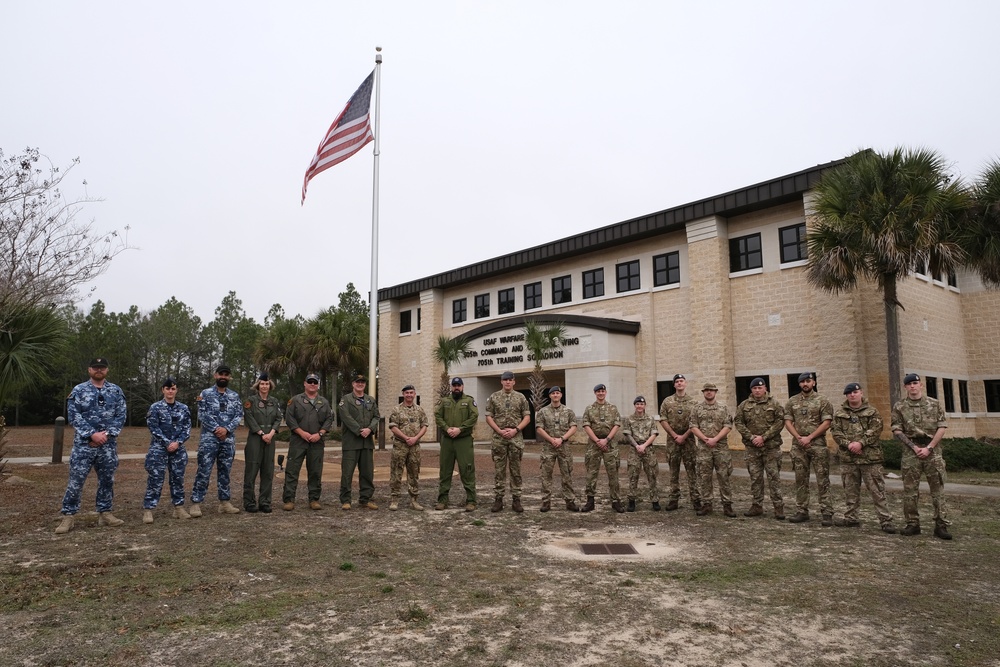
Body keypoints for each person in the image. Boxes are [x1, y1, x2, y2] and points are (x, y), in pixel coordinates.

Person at [55, 357, 128, 534]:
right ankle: (68, 517)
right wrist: (91, 434)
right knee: (76, 481)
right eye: (95, 368)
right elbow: (74, 416)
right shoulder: (79, 390)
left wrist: (107, 434)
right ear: (89, 370)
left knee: (107, 481)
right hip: (84, 445)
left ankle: (105, 513)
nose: (99, 370)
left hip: (107, 445)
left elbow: (121, 416)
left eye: (102, 367)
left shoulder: (115, 391)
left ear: (107, 370)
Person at [891, 373, 952, 540]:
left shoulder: (934, 404)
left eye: (915, 383)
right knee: (910, 490)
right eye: (909, 384)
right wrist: (914, 447)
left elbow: (942, 427)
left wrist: (929, 447)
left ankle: (941, 525)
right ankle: (912, 524)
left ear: (921, 385)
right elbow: (896, 429)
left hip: (933, 451)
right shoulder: (899, 406)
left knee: (938, 490)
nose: (913, 386)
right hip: (911, 451)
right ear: (905, 387)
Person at [831, 382, 896, 533]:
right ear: (846, 396)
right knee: (850, 491)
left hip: (870, 459)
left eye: (855, 392)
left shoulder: (872, 412)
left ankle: (886, 521)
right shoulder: (840, 414)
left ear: (861, 393)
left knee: (877, 491)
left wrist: (860, 443)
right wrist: (849, 445)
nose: (852, 395)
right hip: (849, 459)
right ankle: (851, 518)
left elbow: (876, 429)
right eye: (849, 393)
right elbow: (836, 432)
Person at [191, 364, 244, 516]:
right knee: (204, 470)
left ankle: (224, 502)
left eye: (226, 375)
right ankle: (196, 502)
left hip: (227, 440)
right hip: (209, 439)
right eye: (221, 374)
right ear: (215, 375)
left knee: (225, 472)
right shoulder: (205, 394)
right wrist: (217, 429)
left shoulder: (234, 396)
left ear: (229, 377)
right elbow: (202, 414)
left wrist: (226, 429)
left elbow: (238, 415)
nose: (223, 377)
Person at [784, 372, 835, 526]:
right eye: (802, 382)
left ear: (814, 382)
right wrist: (799, 437)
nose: (805, 384)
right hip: (799, 445)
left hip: (817, 444)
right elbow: (788, 421)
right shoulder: (792, 401)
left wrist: (810, 437)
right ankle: (802, 511)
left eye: (808, 381)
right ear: (799, 384)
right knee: (800, 479)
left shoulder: (822, 401)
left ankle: (826, 512)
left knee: (822, 479)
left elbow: (827, 422)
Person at [142, 377, 192, 524]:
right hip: (159, 449)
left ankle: (178, 508)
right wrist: (167, 442)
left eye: (173, 389)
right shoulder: (155, 407)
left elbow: (187, 429)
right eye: (167, 388)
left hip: (178, 449)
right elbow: (153, 427)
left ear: (176, 390)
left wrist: (178, 442)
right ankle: (148, 509)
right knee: (155, 479)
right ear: (162, 390)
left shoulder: (184, 408)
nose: (170, 391)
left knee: (178, 478)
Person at [735, 377, 785, 520]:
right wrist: (751, 437)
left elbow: (779, 422)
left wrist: (764, 437)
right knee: (755, 478)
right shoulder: (744, 405)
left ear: (765, 389)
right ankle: (757, 505)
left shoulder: (774, 404)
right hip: (752, 448)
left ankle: (778, 507)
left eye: (760, 388)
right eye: (755, 388)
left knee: (774, 478)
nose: (757, 390)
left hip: (771, 448)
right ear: (751, 390)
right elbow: (738, 422)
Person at [283, 373, 334, 510]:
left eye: (315, 382)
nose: (312, 384)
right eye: (310, 382)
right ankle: (289, 500)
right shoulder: (295, 400)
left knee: (315, 471)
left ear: (318, 385)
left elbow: (329, 419)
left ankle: (314, 499)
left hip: (317, 441)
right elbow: (289, 418)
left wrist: (321, 433)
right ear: (305, 383)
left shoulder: (324, 402)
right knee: (292, 471)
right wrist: (301, 432)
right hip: (298, 441)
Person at [485, 371, 531, 513]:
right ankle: (498, 499)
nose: (507, 382)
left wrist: (515, 430)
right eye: (505, 380)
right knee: (499, 471)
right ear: (501, 381)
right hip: (499, 438)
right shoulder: (494, 397)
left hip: (515, 438)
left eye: (510, 380)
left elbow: (527, 418)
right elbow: (488, 417)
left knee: (515, 470)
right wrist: (499, 431)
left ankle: (516, 500)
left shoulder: (521, 397)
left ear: (514, 381)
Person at [689, 382, 735, 517]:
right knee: (704, 477)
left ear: (716, 392)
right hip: (704, 448)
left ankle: (727, 505)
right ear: (703, 392)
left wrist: (715, 439)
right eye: (706, 390)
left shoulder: (723, 408)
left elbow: (728, 425)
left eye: (711, 390)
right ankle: (707, 504)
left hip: (720, 447)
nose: (709, 392)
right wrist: (704, 438)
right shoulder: (696, 408)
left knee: (724, 476)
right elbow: (693, 426)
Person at [658, 374, 701, 512]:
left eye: (681, 381)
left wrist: (684, 435)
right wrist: (675, 435)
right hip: (673, 441)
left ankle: (696, 499)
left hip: (688, 441)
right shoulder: (667, 401)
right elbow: (663, 419)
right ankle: (673, 499)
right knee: (673, 472)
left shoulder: (693, 402)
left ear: (686, 383)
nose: (679, 383)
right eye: (677, 381)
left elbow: (695, 422)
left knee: (692, 471)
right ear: (674, 385)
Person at [435, 377, 479, 511]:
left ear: (463, 386)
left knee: (467, 469)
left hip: (463, 440)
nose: (456, 387)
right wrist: (447, 428)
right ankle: (442, 500)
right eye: (454, 385)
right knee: (445, 470)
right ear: (451, 387)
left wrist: (460, 429)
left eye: (458, 385)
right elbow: (437, 416)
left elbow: (474, 416)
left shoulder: (469, 401)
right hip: (447, 440)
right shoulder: (444, 401)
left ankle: (471, 500)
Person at [534, 386, 580, 512]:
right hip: (548, 447)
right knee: (546, 475)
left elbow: (573, 427)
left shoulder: (568, 411)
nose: (555, 395)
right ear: (549, 396)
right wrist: (551, 439)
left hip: (564, 446)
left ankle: (570, 501)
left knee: (567, 475)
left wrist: (562, 439)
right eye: (553, 393)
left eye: (557, 393)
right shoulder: (543, 411)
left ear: (561, 395)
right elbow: (539, 428)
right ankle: (546, 502)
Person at [242, 372, 283, 513]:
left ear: (270, 385)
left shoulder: (274, 401)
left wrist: (271, 433)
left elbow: (278, 418)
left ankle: (265, 502)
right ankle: (249, 502)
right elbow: (249, 418)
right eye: (262, 383)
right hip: (255, 438)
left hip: (270, 439)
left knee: (267, 470)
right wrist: (261, 433)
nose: (264, 386)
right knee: (251, 471)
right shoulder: (250, 401)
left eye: (267, 384)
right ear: (258, 385)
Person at [338, 373, 380, 510]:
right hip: (351, 442)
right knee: (347, 473)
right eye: (357, 382)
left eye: (362, 382)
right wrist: (359, 430)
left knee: (367, 473)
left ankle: (365, 499)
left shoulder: (370, 400)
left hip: (367, 442)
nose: (360, 384)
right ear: (353, 384)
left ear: (365, 384)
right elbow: (345, 416)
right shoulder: (346, 400)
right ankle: (346, 500)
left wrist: (370, 429)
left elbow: (376, 416)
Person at [581, 383, 624, 513]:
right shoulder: (589, 409)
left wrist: (607, 440)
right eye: (598, 391)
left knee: (613, 474)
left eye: (603, 391)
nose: (601, 393)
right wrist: (597, 441)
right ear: (595, 393)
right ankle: (590, 501)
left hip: (610, 444)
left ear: (605, 393)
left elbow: (616, 425)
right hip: (594, 444)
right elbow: (586, 425)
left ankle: (616, 501)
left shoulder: (613, 408)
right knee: (591, 473)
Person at [387, 384, 429, 511]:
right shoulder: (396, 409)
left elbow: (425, 425)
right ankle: (395, 500)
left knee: (414, 473)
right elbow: (393, 427)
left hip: (414, 447)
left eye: (411, 392)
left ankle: (414, 500)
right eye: (407, 393)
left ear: (414, 394)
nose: (409, 395)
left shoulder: (420, 410)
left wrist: (415, 438)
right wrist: (406, 438)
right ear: (403, 394)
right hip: (400, 445)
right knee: (396, 472)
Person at [623, 396, 660, 512]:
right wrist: (637, 446)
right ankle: (632, 501)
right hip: (634, 449)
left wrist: (644, 446)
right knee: (633, 475)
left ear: (645, 405)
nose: (639, 406)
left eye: (641, 404)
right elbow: (628, 435)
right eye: (637, 404)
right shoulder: (629, 419)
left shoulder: (650, 419)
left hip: (648, 449)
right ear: (634, 405)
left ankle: (655, 501)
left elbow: (653, 434)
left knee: (652, 475)